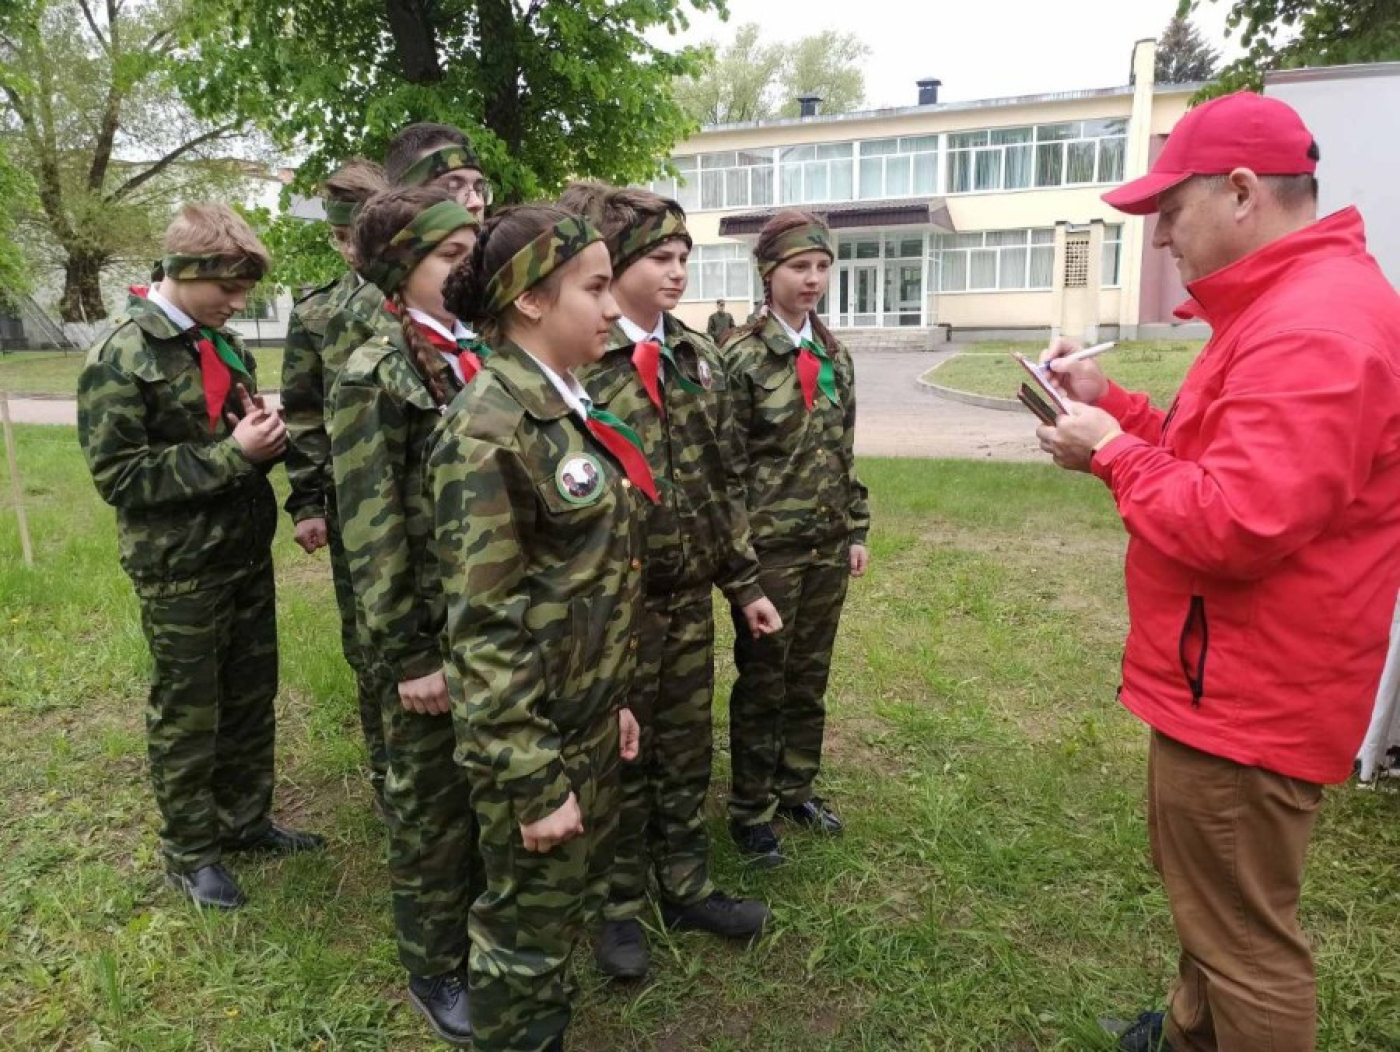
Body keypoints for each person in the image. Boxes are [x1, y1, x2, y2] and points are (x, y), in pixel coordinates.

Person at [1033, 91, 1400, 1052]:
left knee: (1245, 943)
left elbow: (1236, 521)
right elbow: (1216, 460)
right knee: (1217, 910)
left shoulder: (1313, 327)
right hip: (1233, 677)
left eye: (1168, 210)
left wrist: (1110, 452)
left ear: (1241, 192)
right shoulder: (1287, 307)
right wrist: (1111, 404)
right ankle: (1193, 1035)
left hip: (1251, 693)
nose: (1159, 238)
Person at [428, 204, 646, 1051]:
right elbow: (483, 628)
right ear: (528, 300)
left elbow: (585, 583)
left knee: (555, 922)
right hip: (533, 741)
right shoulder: (490, 429)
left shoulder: (565, 406)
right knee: (524, 939)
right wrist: (532, 780)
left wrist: (611, 699)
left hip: (580, 717)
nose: (613, 309)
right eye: (595, 289)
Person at [559, 182, 780, 979]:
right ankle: (616, 905)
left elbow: (721, 483)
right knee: (617, 751)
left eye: (684, 256)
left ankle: (684, 881)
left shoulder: (696, 356)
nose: (678, 271)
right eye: (660, 257)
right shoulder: (583, 362)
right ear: (611, 265)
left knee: (686, 745)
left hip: (686, 597)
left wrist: (744, 582)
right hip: (613, 608)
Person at [76, 204, 324, 911]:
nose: (240, 302)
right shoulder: (121, 355)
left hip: (242, 555)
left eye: (247, 288)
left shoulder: (220, 341)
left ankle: (244, 822)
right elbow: (119, 477)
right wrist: (231, 454)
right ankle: (190, 851)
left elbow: (235, 428)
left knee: (250, 696)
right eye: (229, 287)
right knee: (189, 711)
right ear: (184, 272)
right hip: (179, 568)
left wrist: (260, 434)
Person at [330, 185, 485, 1047]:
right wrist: (409, 654)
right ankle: (434, 963)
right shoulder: (373, 374)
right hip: (427, 628)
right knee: (429, 800)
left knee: (482, 785)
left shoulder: (483, 354)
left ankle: (485, 928)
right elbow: (372, 530)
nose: (467, 273)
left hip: (489, 617)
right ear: (400, 272)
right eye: (449, 259)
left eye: (472, 256)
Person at [721, 210, 871, 867]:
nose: (813, 280)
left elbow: (843, 451)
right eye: (799, 267)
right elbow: (723, 468)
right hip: (769, 551)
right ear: (768, 272)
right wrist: (739, 563)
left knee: (810, 676)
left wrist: (855, 526)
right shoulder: (742, 359)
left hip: (826, 544)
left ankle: (795, 788)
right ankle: (750, 809)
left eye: (822, 268)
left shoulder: (833, 353)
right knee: (765, 680)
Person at [279, 158, 393, 809]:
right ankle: (388, 776)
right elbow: (302, 413)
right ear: (335, 238)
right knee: (370, 643)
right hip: (355, 510)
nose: (359, 248)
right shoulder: (319, 313)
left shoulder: (437, 294)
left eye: (368, 232)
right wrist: (306, 503)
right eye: (348, 238)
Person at [318, 124, 493, 413]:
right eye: (452, 186)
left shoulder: (497, 289)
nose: (474, 202)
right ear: (408, 193)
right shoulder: (358, 319)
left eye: (478, 187)